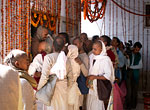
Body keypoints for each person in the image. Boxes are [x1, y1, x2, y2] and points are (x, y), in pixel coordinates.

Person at [37, 37, 73, 110]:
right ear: (63, 47)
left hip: (51, 87)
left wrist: (39, 88)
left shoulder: (48, 58)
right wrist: (66, 86)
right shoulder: (66, 59)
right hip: (63, 87)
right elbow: (71, 78)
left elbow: (44, 76)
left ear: (53, 46)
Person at [86, 40, 114, 110]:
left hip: (100, 86)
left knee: (98, 104)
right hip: (91, 86)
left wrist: (95, 77)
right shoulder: (91, 57)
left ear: (101, 49)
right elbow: (90, 70)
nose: (93, 51)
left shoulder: (105, 59)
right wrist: (88, 79)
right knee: (90, 103)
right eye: (92, 49)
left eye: (95, 49)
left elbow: (108, 75)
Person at [73, 37, 89, 110]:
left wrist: (80, 63)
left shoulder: (85, 57)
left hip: (82, 87)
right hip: (76, 86)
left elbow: (86, 74)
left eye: (76, 44)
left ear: (81, 44)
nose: (74, 46)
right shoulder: (75, 55)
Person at [125, 42, 142, 109]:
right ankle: (128, 106)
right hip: (129, 73)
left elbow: (140, 65)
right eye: (137, 48)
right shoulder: (128, 53)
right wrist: (128, 58)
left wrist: (131, 67)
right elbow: (127, 64)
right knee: (129, 91)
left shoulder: (139, 55)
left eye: (139, 49)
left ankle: (133, 105)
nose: (137, 50)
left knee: (134, 90)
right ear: (134, 47)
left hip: (135, 74)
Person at [67, 45, 81, 110]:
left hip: (68, 85)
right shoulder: (77, 62)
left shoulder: (67, 61)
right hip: (74, 85)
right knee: (74, 105)